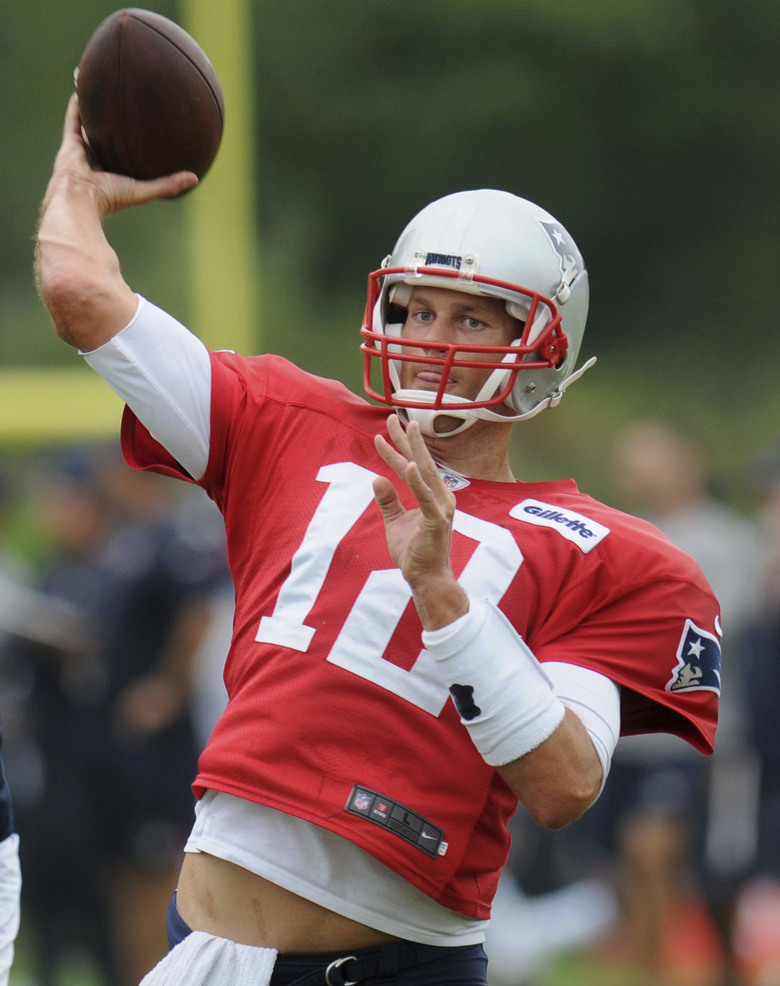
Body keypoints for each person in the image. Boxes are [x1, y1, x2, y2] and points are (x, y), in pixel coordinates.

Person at [34, 94, 721, 986]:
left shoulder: (603, 551)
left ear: (542, 345)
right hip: (207, 955)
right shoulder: (288, 421)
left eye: (471, 318)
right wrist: (74, 186)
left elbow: (563, 785)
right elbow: (81, 294)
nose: (432, 341)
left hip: (400, 965)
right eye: (416, 309)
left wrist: (445, 596)